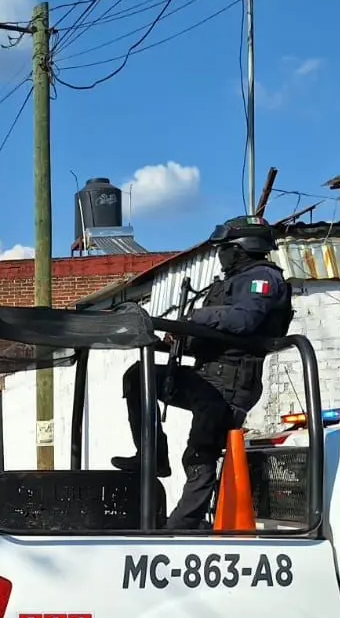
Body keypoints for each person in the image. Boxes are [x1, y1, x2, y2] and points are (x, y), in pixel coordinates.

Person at [114, 215, 294, 530]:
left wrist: (197, 317)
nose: (220, 255)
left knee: (200, 456)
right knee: (137, 377)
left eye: (224, 248)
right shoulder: (230, 282)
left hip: (231, 385)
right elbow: (214, 335)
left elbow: (243, 322)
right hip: (207, 376)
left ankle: (181, 528)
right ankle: (152, 455)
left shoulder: (262, 279)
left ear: (240, 248)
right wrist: (179, 338)